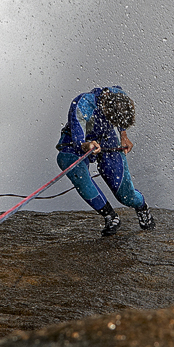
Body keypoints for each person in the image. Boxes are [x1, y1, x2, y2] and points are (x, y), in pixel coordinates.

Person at [56, 86, 155, 236]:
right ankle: (110, 216)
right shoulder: (82, 105)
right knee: (71, 165)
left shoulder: (118, 95)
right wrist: (87, 145)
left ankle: (142, 207)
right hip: (76, 142)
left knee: (125, 195)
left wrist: (123, 135)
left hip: (107, 139)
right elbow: (78, 141)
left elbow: (121, 114)